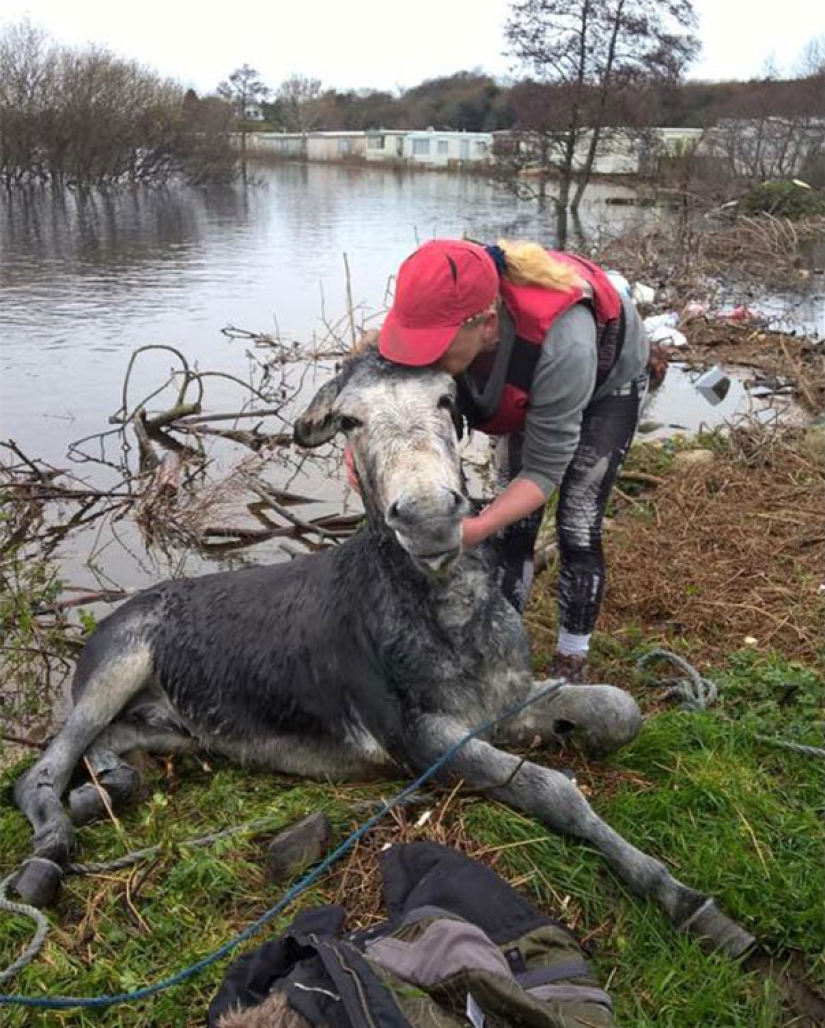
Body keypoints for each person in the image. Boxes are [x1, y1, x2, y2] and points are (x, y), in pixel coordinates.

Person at [374, 238, 657, 683]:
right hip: (525, 372)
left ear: (486, 325)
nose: (422, 361)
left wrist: (478, 527)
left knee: (577, 525)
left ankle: (571, 661)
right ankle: (501, 646)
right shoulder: (449, 306)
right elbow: (384, 380)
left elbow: (543, 471)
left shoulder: (566, 345)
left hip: (609, 382)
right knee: (514, 530)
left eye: (434, 347)